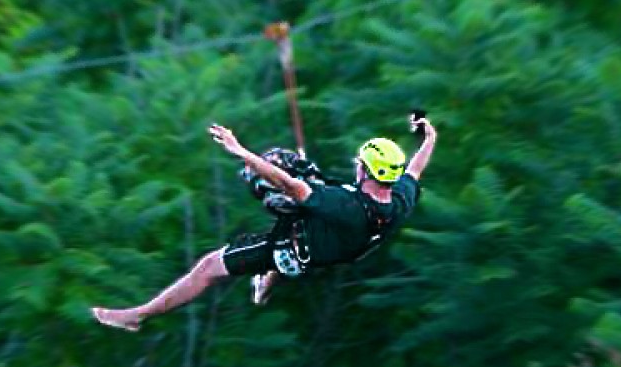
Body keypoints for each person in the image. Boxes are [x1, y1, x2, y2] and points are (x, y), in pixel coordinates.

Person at [91, 114, 438, 331]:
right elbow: (416, 168)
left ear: (364, 169)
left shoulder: (344, 204)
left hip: (303, 243)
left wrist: (241, 151)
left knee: (210, 266)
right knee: (303, 176)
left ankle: (138, 314)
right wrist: (429, 136)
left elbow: (289, 186)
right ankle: (266, 282)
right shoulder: (401, 200)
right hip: (341, 243)